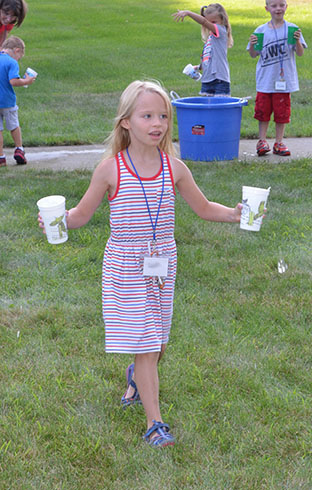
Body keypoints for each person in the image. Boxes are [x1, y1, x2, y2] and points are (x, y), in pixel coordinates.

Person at [38, 80, 242, 447]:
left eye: (163, 115)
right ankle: (155, 422)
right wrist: (58, 220)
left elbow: (204, 207)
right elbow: (82, 215)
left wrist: (236, 215)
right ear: (126, 122)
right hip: (125, 267)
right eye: (147, 115)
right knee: (147, 345)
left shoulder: (175, 168)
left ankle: (135, 377)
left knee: (158, 343)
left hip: (162, 263)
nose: (158, 123)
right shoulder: (110, 170)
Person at [247, 0, 306, 156]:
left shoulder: (292, 29)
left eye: (281, 5)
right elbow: (253, 55)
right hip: (265, 80)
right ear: (267, 9)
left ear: (286, 7)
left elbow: (300, 53)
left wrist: (298, 40)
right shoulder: (261, 30)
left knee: (282, 113)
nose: (278, 8)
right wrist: (252, 45)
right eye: (274, 6)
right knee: (262, 112)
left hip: (284, 81)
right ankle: (262, 141)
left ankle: (279, 142)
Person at [173, 4, 233, 97]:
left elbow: (204, 22)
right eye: (209, 22)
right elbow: (209, 59)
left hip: (219, 80)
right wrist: (198, 67)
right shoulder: (210, 38)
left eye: (213, 22)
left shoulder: (221, 31)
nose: (210, 25)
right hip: (207, 80)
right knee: (207, 110)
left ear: (222, 20)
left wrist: (188, 13)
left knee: (219, 110)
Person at [0, 35, 35, 167]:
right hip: (8, 102)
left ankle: (1, 157)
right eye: (19, 56)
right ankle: (19, 149)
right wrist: (26, 81)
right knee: (14, 125)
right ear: (17, 50)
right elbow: (13, 81)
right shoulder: (11, 62)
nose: (18, 59)